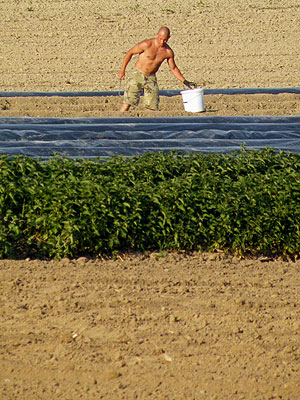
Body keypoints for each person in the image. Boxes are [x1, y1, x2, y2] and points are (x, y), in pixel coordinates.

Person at [118, 26, 197, 111]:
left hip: (150, 78)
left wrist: (184, 81)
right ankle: (118, 122)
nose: (162, 42)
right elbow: (130, 53)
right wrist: (122, 70)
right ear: (157, 35)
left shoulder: (168, 52)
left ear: (169, 38)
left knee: (152, 106)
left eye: (165, 40)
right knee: (128, 102)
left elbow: (173, 68)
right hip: (137, 75)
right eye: (160, 39)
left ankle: (148, 123)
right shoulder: (147, 44)